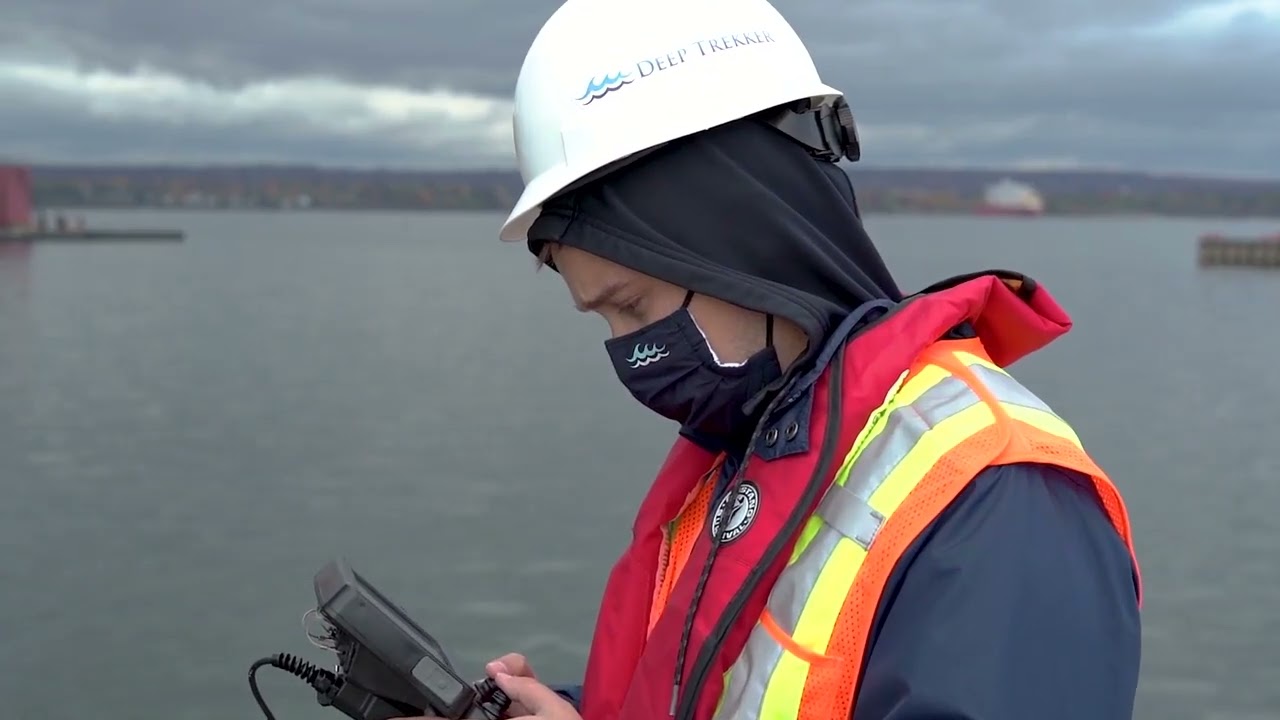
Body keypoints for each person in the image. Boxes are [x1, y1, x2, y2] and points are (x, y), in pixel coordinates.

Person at [404, 0, 1142, 718]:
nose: (631, 352)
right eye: (604, 318)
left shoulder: (999, 497)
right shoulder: (761, 446)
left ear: (741, 239)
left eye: (633, 306)